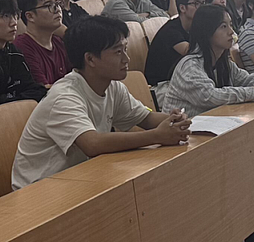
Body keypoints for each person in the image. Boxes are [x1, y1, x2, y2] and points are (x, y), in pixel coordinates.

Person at [11, 15, 190, 189]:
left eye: (125, 49)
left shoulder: (112, 86)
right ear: (90, 59)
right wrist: (157, 135)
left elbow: (146, 118)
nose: (126, 59)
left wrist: (174, 121)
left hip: (78, 179)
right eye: (118, 52)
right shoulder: (64, 97)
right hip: (38, 189)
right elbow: (93, 144)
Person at [162, 4, 254, 118]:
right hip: (184, 128)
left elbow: (245, 79)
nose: (231, 32)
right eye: (223, 26)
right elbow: (212, 97)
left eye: (230, 25)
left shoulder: (223, 62)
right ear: (207, 31)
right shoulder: (189, 66)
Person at [144, 0, 206, 101]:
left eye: (203, 3)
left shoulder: (194, 28)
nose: (202, 8)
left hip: (179, 82)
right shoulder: (171, 30)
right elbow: (190, 52)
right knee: (202, 95)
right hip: (160, 87)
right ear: (182, 8)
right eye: (196, 3)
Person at [15, 0, 69, 86]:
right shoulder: (22, 47)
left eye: (57, 3)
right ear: (30, 16)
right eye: (48, 5)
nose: (57, 9)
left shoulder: (58, 42)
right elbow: (43, 89)